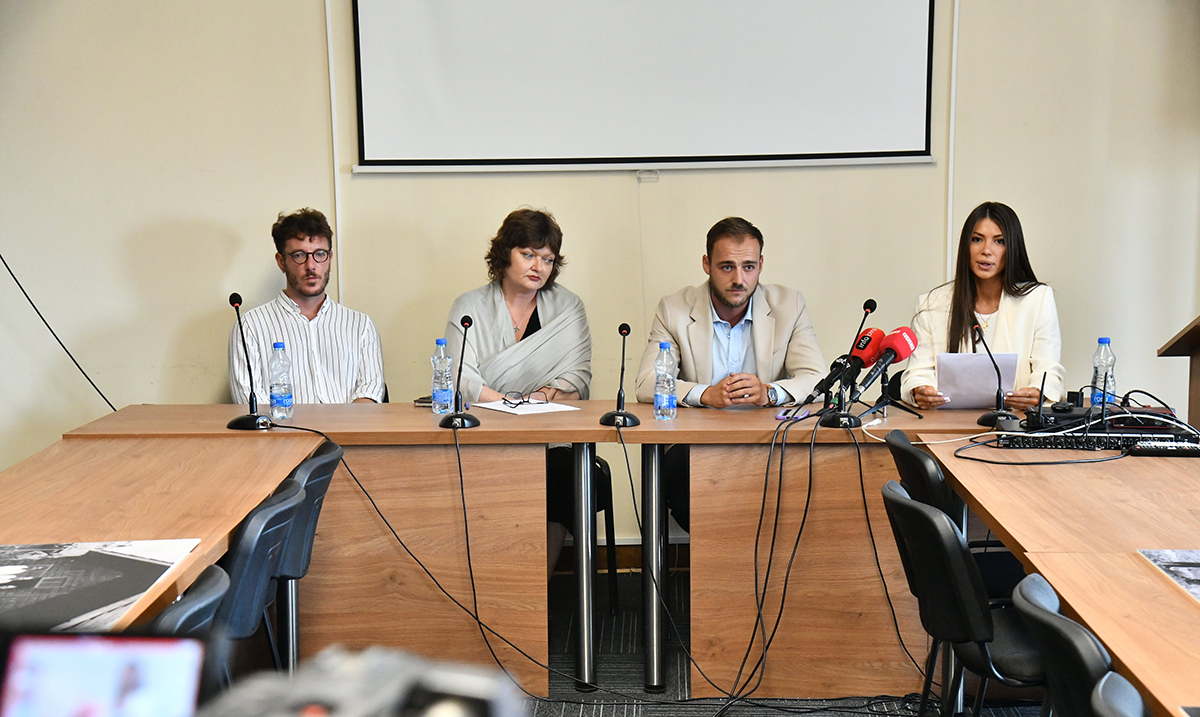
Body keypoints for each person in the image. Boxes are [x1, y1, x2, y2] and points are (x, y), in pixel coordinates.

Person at [634, 217, 826, 531]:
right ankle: (720, 560)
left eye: (748, 267)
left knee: (807, 488)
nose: (739, 279)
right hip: (697, 444)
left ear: (761, 265)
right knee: (684, 488)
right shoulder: (674, 309)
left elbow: (817, 378)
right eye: (727, 267)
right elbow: (646, 383)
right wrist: (705, 394)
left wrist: (769, 392)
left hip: (768, 441)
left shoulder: (789, 306)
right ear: (706, 265)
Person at [443, 208, 597, 575]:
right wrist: (514, 404)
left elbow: (577, 382)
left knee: (564, 475)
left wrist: (536, 401)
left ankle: (537, 588)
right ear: (505, 253)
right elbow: (460, 381)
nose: (538, 267)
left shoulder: (568, 307)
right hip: (484, 432)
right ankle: (493, 583)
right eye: (528, 254)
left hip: (551, 436)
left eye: (548, 259)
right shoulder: (469, 307)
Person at [901, 201, 1064, 410]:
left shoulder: (1037, 299)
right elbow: (918, 372)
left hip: (1016, 421)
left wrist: (1037, 393)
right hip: (949, 422)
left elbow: (1048, 370)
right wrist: (920, 390)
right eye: (977, 239)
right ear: (965, 246)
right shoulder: (932, 304)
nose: (986, 250)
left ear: (1012, 248)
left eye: (999, 241)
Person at [228, 208, 385, 405]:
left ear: (330, 258)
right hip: (281, 425)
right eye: (299, 255)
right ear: (281, 262)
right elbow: (249, 403)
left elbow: (370, 392)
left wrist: (342, 424)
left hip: (349, 425)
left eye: (319, 254)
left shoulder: (361, 325)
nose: (311, 266)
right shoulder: (250, 327)